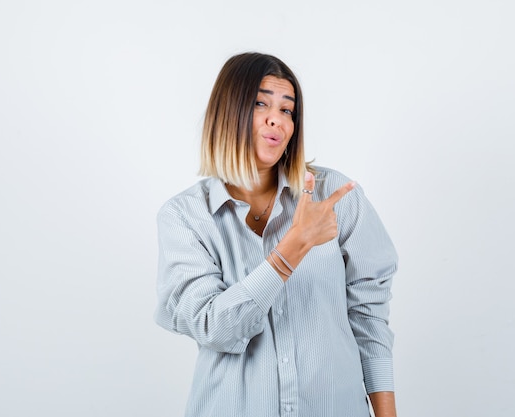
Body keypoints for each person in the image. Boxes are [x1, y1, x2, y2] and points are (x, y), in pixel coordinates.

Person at [155, 52, 398, 417]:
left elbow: (369, 316)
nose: (277, 119)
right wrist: (293, 248)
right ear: (227, 112)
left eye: (287, 110)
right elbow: (214, 328)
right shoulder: (185, 217)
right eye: (260, 103)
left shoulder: (337, 196)